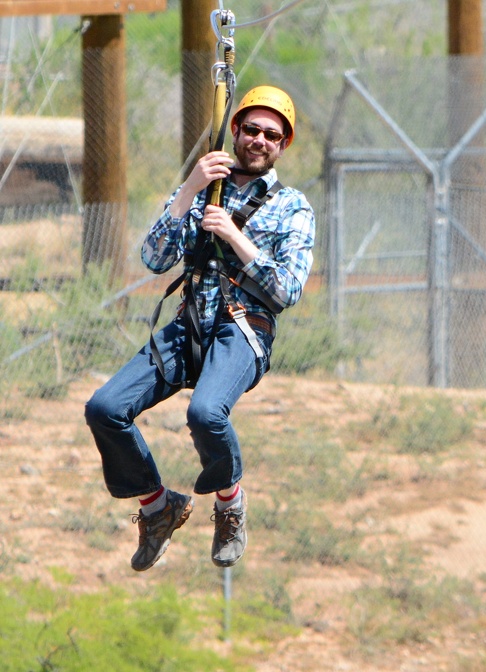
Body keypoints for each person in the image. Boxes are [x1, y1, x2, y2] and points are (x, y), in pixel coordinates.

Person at [84, 85, 315, 571]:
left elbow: (289, 289)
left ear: (283, 145)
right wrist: (188, 189)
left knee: (206, 413)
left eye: (271, 135)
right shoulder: (204, 186)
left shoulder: (292, 207)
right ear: (235, 131)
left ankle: (229, 503)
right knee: (105, 408)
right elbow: (153, 258)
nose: (259, 140)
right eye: (251, 129)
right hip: (190, 321)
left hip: (241, 328)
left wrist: (234, 236)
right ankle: (157, 505)